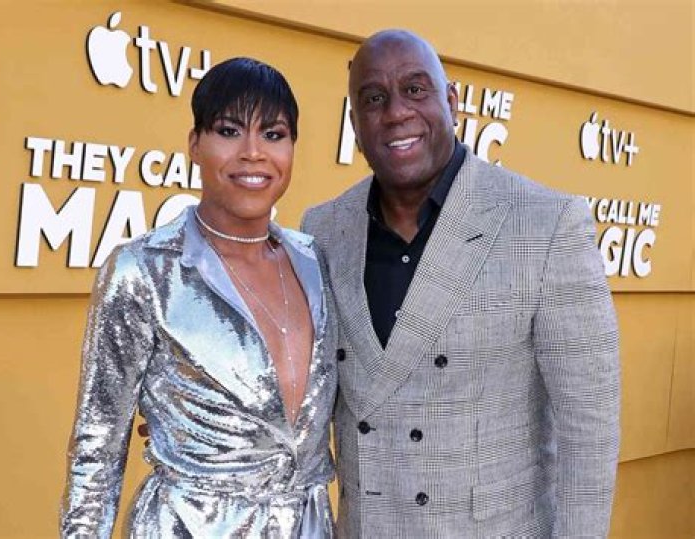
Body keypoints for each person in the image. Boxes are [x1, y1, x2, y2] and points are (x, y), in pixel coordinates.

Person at [302, 30, 620, 537]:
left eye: (415, 89)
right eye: (374, 99)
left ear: (451, 102)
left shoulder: (546, 224)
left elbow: (590, 430)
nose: (396, 112)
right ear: (356, 125)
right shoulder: (322, 230)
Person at [61, 57, 337, 538]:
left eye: (273, 134)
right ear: (194, 144)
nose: (253, 153)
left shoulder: (315, 262)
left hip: (309, 526)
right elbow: (97, 446)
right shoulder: (143, 270)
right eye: (229, 131)